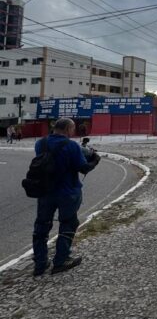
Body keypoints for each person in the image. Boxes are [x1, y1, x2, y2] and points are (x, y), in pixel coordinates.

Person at [32, 117, 100, 277]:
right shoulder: (71, 146)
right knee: (68, 224)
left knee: (41, 227)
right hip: (68, 192)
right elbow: (83, 167)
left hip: (45, 192)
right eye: (73, 129)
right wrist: (95, 160)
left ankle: (40, 264)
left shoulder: (40, 143)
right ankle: (61, 261)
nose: (73, 132)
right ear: (68, 129)